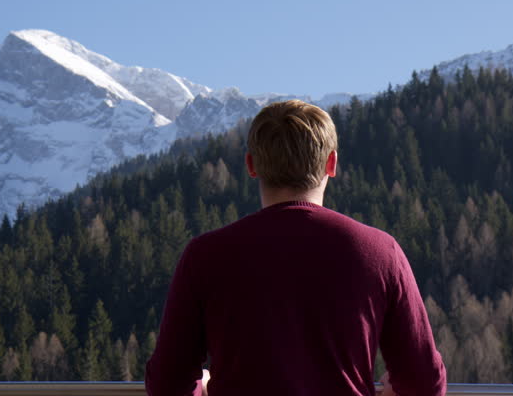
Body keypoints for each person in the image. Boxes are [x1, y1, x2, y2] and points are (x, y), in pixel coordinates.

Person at [145, 100, 446, 396]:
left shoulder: (205, 255)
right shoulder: (381, 252)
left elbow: (167, 383)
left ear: (251, 165)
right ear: (332, 163)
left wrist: (204, 387)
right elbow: (423, 382)